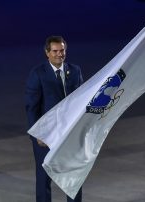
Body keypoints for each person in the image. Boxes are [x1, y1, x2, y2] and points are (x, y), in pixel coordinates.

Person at [25, 36, 83, 202]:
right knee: (43, 179)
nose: (60, 54)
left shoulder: (75, 71)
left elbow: (81, 100)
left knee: (74, 176)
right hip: (47, 136)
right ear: (47, 53)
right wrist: (37, 135)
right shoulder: (38, 74)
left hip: (69, 134)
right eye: (55, 51)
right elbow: (31, 107)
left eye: (62, 50)